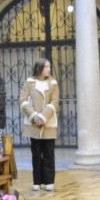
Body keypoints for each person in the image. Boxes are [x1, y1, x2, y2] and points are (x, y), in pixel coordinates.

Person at [20, 58, 59, 191]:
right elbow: (23, 101)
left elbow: (54, 102)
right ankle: (36, 181)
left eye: (49, 66)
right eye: (46, 67)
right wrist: (34, 117)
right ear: (39, 68)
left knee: (48, 153)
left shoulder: (53, 83)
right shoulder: (29, 82)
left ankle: (49, 181)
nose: (49, 69)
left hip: (48, 123)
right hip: (33, 124)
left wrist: (43, 117)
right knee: (36, 153)